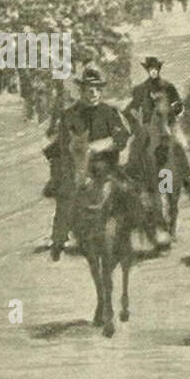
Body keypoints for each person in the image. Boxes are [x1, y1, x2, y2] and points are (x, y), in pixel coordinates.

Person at [50, 67, 132, 261]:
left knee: (129, 192)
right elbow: (61, 144)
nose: (93, 93)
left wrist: (104, 145)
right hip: (79, 166)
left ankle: (144, 230)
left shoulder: (110, 112)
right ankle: (59, 237)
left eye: (97, 89)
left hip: (106, 165)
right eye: (89, 89)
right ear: (82, 90)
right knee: (66, 194)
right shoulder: (70, 114)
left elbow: (122, 136)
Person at [125, 56, 190, 198]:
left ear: (159, 69)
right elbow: (132, 107)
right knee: (136, 145)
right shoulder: (141, 89)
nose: (153, 71)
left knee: (182, 145)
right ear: (147, 70)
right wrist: (133, 118)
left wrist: (177, 109)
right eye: (150, 69)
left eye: (155, 69)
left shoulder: (168, 87)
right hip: (148, 126)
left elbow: (178, 105)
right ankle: (132, 179)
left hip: (169, 123)